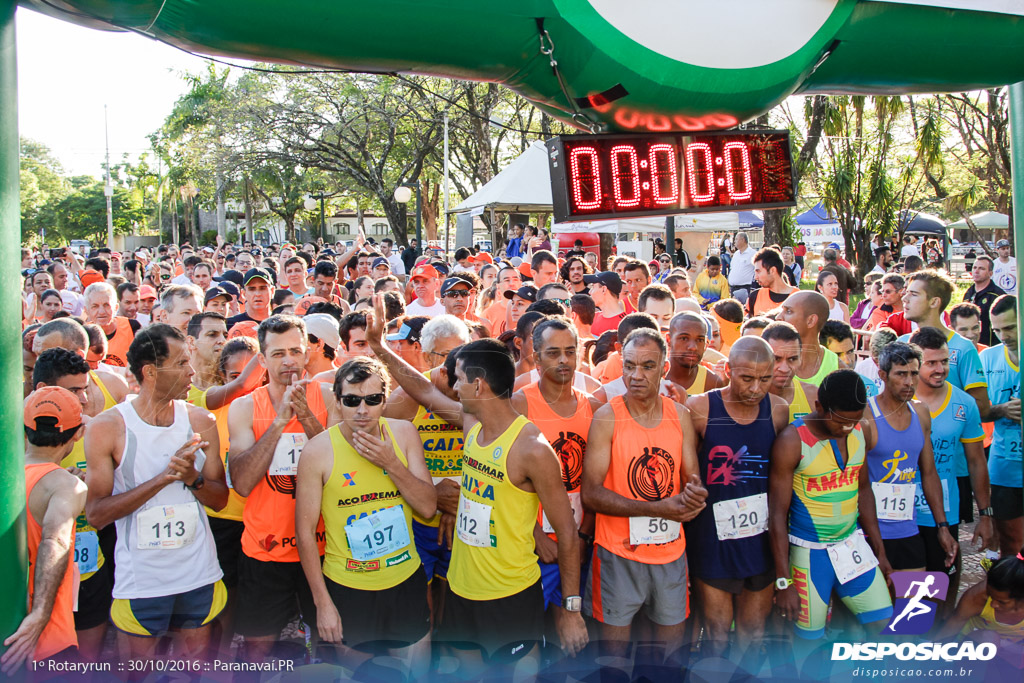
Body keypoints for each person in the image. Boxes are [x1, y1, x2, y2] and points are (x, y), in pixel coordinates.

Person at [84, 324, 228, 661]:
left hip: (198, 573)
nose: (191, 371)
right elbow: (96, 514)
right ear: (150, 372)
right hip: (143, 581)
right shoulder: (108, 427)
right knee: (138, 672)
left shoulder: (200, 421)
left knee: (195, 668)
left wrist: (192, 478)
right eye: (180, 363)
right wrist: (162, 479)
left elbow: (220, 500)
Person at [296, 358, 436, 674]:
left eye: (373, 400)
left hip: (404, 581)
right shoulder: (318, 451)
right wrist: (323, 604)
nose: (363, 410)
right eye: (352, 401)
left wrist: (392, 463)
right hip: (348, 587)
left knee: (412, 675)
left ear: (385, 400)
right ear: (338, 400)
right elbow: (304, 533)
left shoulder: (403, 435)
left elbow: (428, 507)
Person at [582, 328, 706, 661]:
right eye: (630, 365)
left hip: (669, 554)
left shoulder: (679, 415)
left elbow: (692, 476)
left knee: (667, 656)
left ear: (664, 367)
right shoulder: (608, 416)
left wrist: (694, 495)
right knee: (614, 657)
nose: (636, 376)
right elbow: (591, 494)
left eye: (647, 366)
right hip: (617, 553)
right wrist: (659, 508)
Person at [226, 315, 334, 661]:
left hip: (323, 546)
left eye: (295, 351)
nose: (288, 360)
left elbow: (343, 468)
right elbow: (241, 483)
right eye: (277, 353)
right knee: (257, 645)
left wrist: (305, 416)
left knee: (331, 640)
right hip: (266, 549)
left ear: (306, 355)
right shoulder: (245, 407)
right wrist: (278, 422)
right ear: (263, 359)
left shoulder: (329, 396)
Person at [769, 370, 894, 640]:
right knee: (807, 647)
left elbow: (864, 491)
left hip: (852, 548)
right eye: (840, 421)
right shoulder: (792, 441)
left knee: (886, 630)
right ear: (819, 407)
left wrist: (880, 552)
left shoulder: (862, 430)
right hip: (809, 555)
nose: (847, 428)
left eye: (855, 420)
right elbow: (777, 515)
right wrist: (783, 581)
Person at [684, 337, 789, 656]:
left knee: (754, 630)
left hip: (760, 539)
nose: (757, 388)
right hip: (711, 539)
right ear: (728, 370)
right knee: (715, 631)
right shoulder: (700, 407)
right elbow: (688, 473)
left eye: (765, 378)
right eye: (747, 378)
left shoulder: (778, 410)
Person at [511, 317, 602, 624]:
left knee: (572, 631)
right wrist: (535, 535)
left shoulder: (594, 407)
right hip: (532, 546)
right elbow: (502, 479)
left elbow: (596, 483)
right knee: (532, 630)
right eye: (553, 352)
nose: (564, 359)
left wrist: (583, 537)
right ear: (536, 357)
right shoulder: (520, 405)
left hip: (579, 543)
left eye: (570, 351)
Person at [2, 387, 87, 674]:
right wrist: (39, 616)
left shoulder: (8, 480)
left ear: (24, 430)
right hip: (46, 642)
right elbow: (55, 539)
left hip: (7, 635)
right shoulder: (65, 486)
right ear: (78, 433)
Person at [909, 326, 993, 614]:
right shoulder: (898, 402)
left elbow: (976, 461)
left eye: (944, 362)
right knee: (906, 589)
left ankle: (936, 643)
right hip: (898, 515)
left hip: (943, 514)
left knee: (939, 584)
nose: (940, 369)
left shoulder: (964, 403)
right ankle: (906, 645)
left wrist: (985, 513)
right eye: (931, 363)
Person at [864, 342, 957, 573]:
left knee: (912, 604)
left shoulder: (921, 412)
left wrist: (942, 526)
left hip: (907, 528)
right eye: (901, 374)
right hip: (869, 532)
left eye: (914, 373)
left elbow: (929, 472)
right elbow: (857, 481)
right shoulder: (866, 415)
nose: (909, 382)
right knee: (878, 607)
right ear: (883, 375)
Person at [898, 270, 990, 417]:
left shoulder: (963, 347)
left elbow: (982, 407)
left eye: (914, 294)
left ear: (934, 302)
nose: (904, 298)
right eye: (906, 292)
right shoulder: (901, 343)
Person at [980, 295, 1023, 558]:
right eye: (997, 330)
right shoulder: (988, 359)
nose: (1003, 335)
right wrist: (1003, 410)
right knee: (1010, 542)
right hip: (1004, 467)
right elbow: (979, 412)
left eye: (1010, 328)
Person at [937, 554, 1024, 643]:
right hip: (974, 649)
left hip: (1014, 650)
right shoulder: (977, 596)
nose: (993, 604)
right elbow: (949, 630)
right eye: (990, 596)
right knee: (988, 638)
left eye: (1002, 602)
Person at [775, 291, 839, 386]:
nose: (778, 317)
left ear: (811, 321)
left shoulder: (837, 368)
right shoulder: (766, 360)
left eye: (788, 311)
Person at [762, 321, 819, 422]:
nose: (784, 369)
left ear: (801, 357)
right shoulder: (747, 399)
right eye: (776, 359)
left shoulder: (814, 396)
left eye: (792, 359)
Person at [664, 312, 725, 396]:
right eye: (684, 338)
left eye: (699, 340)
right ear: (668, 339)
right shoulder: (653, 377)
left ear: (706, 344)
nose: (693, 347)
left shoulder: (712, 383)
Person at [83, 282, 139, 368]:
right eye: (95, 306)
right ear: (86, 311)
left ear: (116, 307)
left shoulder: (132, 327)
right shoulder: (82, 334)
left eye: (106, 305)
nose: (101, 312)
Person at [963, 255, 1003, 346]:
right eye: (974, 268)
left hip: (990, 347)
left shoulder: (997, 295)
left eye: (981, 268)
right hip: (971, 347)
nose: (976, 271)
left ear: (990, 273)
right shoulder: (969, 293)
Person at [748, 247, 798, 316]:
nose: (755, 277)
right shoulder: (755, 296)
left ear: (772, 271)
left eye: (758, 271)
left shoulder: (798, 297)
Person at [855, 327, 897, 399]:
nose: (880, 364)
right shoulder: (862, 368)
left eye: (885, 360)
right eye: (876, 360)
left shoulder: (901, 368)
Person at [585, 271, 627, 338]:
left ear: (604, 289)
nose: (590, 292)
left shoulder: (626, 323)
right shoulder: (592, 318)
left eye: (593, 287)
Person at [726, 232, 755, 303]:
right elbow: (732, 268)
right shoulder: (736, 254)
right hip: (733, 288)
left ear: (742, 240)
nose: (734, 241)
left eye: (736, 239)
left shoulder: (753, 254)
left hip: (744, 288)